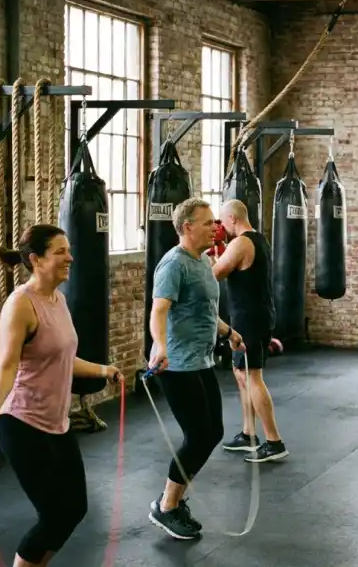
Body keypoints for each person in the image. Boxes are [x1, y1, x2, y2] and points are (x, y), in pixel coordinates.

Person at [0, 224, 124, 567]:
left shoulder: (59, 300)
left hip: (57, 424)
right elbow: (7, 364)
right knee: (55, 515)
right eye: (60, 252)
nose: (70, 257)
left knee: (75, 508)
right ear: (36, 260)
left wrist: (104, 369)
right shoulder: (20, 305)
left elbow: (64, 357)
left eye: (69, 250)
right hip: (22, 424)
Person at [147, 197, 245, 540]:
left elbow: (205, 310)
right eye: (207, 222)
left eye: (216, 221)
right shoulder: (173, 265)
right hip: (175, 365)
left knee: (212, 432)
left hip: (201, 360)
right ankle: (167, 505)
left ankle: (172, 500)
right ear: (187, 227)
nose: (215, 227)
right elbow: (159, 311)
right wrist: (159, 346)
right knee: (199, 436)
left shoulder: (203, 261)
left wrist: (229, 332)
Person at [213, 200, 287, 463]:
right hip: (254, 315)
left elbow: (215, 273)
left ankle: (274, 441)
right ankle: (249, 434)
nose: (221, 227)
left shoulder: (241, 243)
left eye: (222, 222)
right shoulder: (257, 239)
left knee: (252, 376)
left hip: (250, 319)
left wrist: (209, 250)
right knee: (241, 373)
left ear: (232, 218)